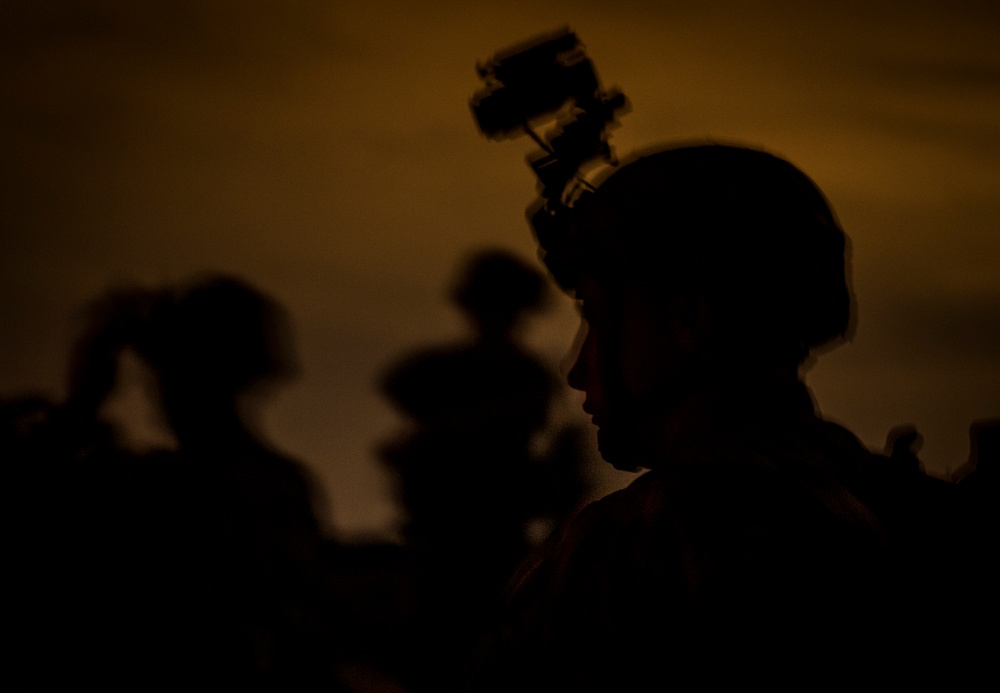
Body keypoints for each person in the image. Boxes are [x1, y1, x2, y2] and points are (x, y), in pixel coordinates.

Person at [465, 144, 959, 689]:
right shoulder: (923, 521)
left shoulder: (619, 563)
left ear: (689, 321)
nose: (577, 369)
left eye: (598, 318)